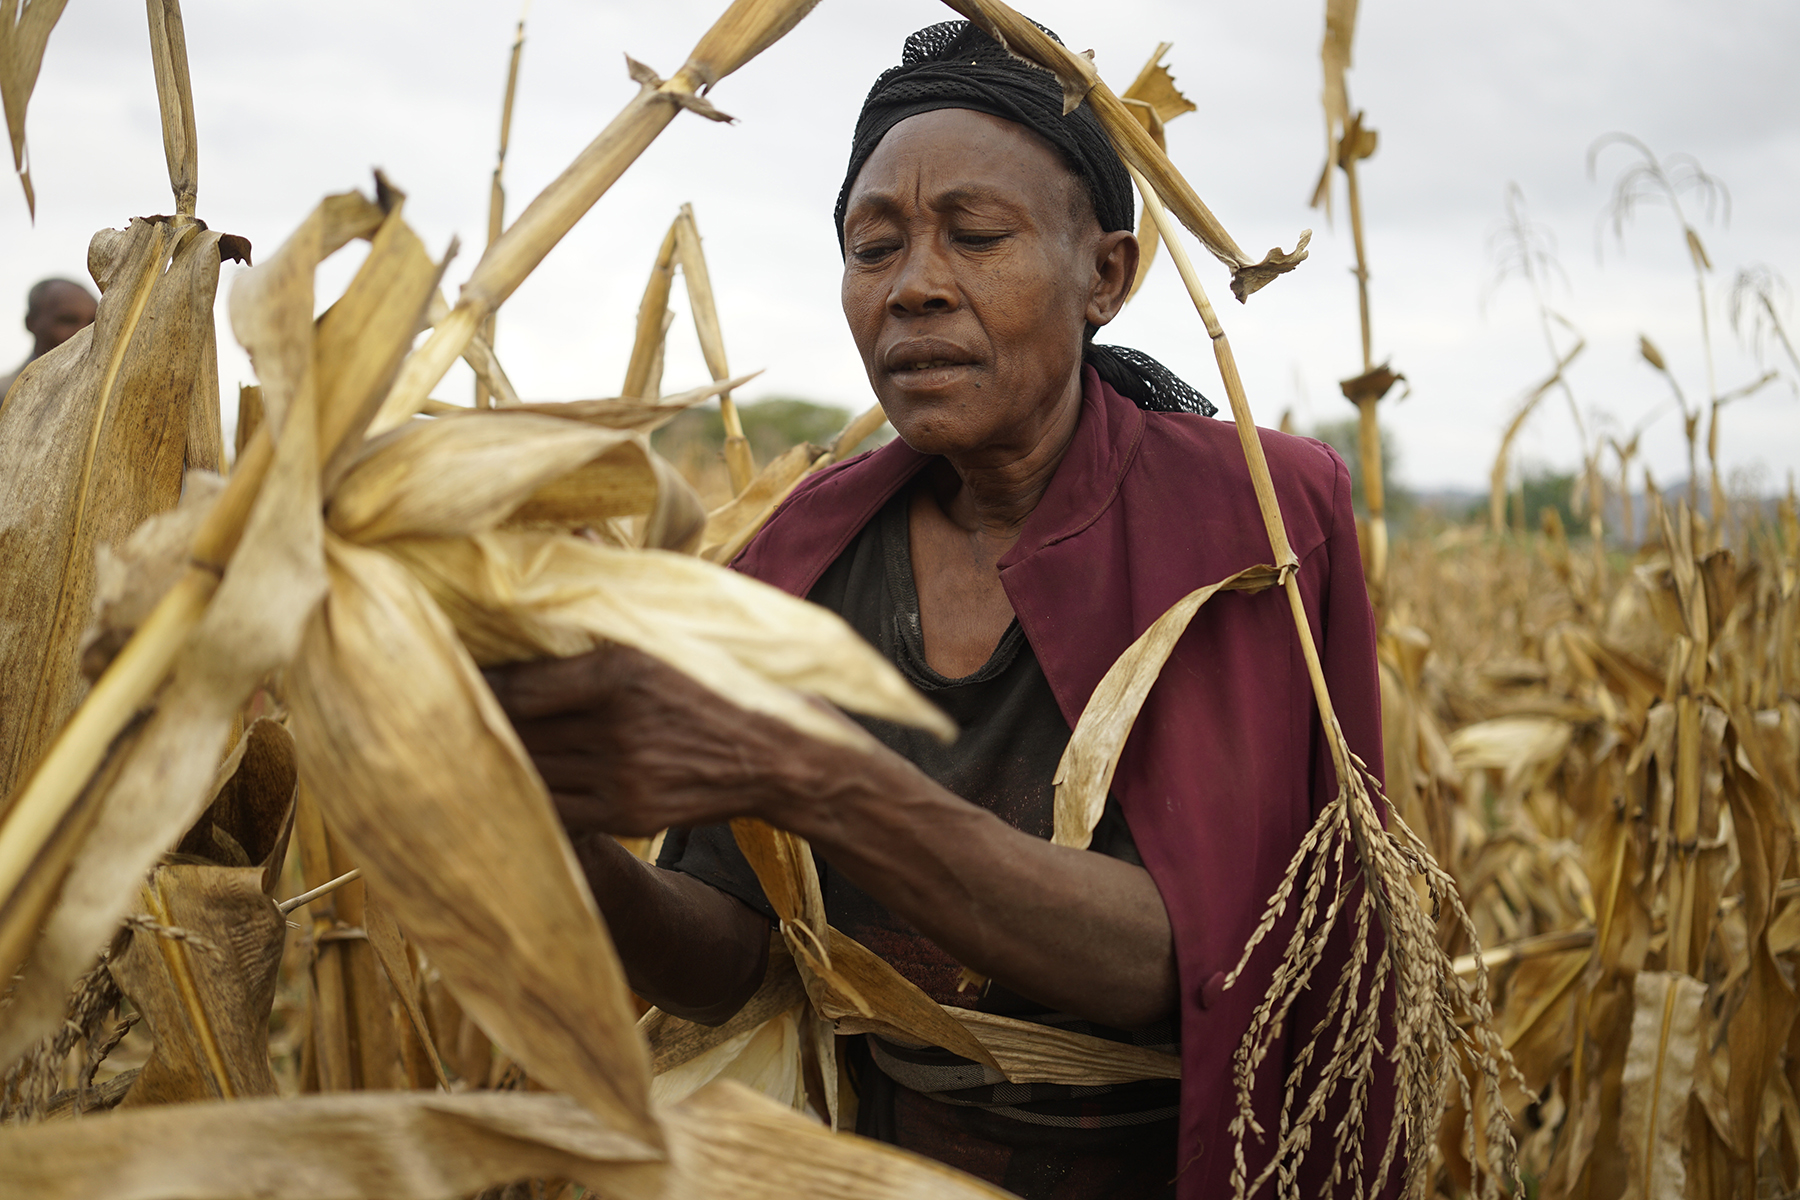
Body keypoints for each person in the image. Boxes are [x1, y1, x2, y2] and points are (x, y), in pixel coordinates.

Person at [487, 20, 1394, 1200]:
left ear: (1105, 276)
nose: (915, 285)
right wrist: (557, 843)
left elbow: (1192, 957)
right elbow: (730, 955)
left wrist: (813, 777)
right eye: (874, 247)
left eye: (976, 237)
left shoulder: (1254, 528)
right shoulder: (803, 551)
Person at [0, 277, 98, 401]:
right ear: (31, 323)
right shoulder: (5, 396)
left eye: (93, 323)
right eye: (68, 320)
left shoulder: (112, 392)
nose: (85, 332)